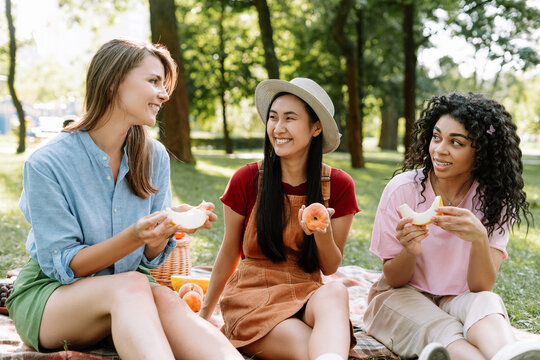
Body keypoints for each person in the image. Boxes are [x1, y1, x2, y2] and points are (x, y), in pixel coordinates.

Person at [6, 38, 243, 360]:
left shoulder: (153, 155)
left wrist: (166, 228)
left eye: (165, 84)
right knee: (133, 285)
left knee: (166, 300)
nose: (164, 94)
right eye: (153, 81)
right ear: (115, 81)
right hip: (53, 298)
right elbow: (66, 267)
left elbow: (150, 257)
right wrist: (134, 236)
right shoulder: (47, 163)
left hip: (131, 291)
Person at [364, 92, 539, 360]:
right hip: (400, 295)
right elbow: (394, 279)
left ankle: (508, 353)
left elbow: (481, 287)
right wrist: (409, 250)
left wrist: (480, 238)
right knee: (442, 328)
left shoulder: (495, 200)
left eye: (455, 142)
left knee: (487, 304)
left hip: (459, 298)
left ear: (480, 151)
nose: (439, 149)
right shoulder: (401, 190)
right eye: (436, 137)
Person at [198, 78, 360, 360]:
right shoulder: (247, 179)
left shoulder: (338, 184)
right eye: (273, 117)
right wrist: (204, 314)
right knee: (315, 349)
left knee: (335, 292)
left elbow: (331, 266)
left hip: (305, 291)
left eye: (290, 118)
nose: (278, 127)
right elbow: (228, 252)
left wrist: (321, 231)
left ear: (316, 127)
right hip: (252, 298)